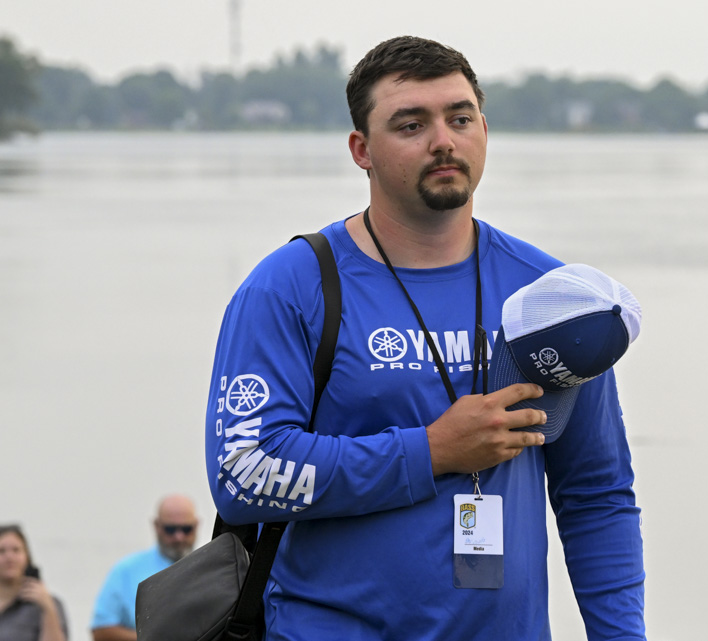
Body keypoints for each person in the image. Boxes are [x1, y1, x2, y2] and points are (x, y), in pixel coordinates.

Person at [205, 35, 645, 641]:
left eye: (460, 118)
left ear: (484, 130)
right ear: (361, 149)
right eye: (411, 125)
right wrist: (431, 452)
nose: (443, 140)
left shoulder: (551, 298)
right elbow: (243, 477)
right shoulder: (289, 287)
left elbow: (597, 494)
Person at [89, 495, 197, 641]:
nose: (179, 537)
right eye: (170, 529)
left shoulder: (211, 567)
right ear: (157, 526)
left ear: (197, 525)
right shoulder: (126, 570)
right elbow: (101, 631)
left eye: (186, 529)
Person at [0, 524, 69, 641]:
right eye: (1, 551)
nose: (9, 557)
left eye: (16, 550)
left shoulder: (44, 604)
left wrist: (48, 609)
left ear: (27, 557)